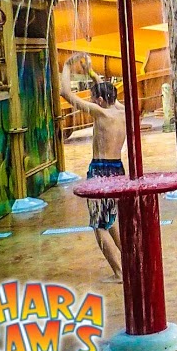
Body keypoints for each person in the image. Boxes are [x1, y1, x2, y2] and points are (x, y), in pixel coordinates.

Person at [60, 53, 127, 281]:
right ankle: (129, 263)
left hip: (100, 171)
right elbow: (104, 90)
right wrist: (90, 72)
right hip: (117, 169)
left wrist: (67, 66)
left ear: (99, 100)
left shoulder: (100, 113)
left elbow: (65, 93)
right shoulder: (120, 110)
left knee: (99, 225)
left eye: (93, 97)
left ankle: (119, 272)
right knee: (111, 219)